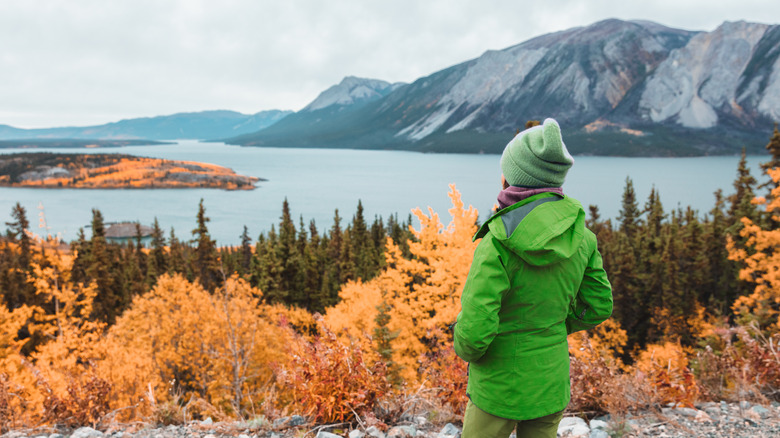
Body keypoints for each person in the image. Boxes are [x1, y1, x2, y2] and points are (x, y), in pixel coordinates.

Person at [453, 118, 613, 438]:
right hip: (549, 383)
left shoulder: (497, 243)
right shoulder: (582, 237)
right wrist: (551, 327)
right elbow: (598, 306)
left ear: (514, 177)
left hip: (498, 389)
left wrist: (462, 342)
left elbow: (472, 338)